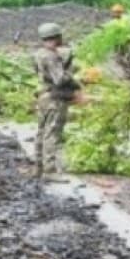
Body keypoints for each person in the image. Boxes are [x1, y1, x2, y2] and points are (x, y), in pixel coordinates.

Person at [32, 23, 82, 179]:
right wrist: (73, 75)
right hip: (54, 99)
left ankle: (38, 168)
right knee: (52, 133)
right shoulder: (51, 56)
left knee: (41, 132)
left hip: (43, 96)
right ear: (57, 37)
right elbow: (59, 79)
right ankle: (50, 171)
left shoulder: (39, 54)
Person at [109, 4, 130, 81]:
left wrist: (127, 38)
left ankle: (129, 74)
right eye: (113, 12)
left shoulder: (126, 20)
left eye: (116, 12)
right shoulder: (113, 21)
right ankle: (127, 73)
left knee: (129, 59)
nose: (114, 14)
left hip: (127, 42)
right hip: (118, 43)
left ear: (121, 12)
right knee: (119, 59)